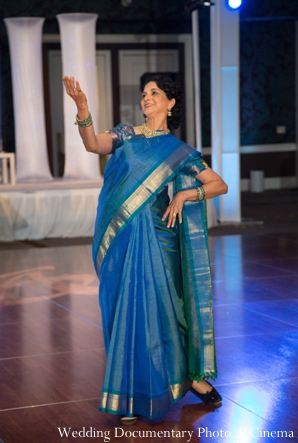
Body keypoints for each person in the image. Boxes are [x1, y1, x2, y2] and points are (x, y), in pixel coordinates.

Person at [63, 74, 228, 424]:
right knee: (124, 313)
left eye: (155, 92)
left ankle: (192, 379)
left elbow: (218, 184)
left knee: (169, 316)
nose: (147, 98)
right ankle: (129, 395)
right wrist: (82, 109)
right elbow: (93, 145)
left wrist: (185, 194)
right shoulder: (125, 135)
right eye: (144, 93)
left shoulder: (180, 152)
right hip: (118, 240)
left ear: (171, 103)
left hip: (158, 238)